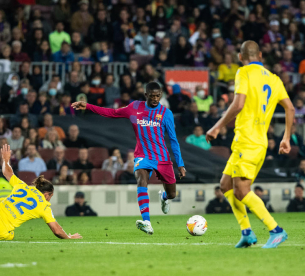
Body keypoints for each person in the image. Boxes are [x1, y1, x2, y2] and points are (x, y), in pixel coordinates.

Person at [206, 40, 295, 248]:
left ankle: (276, 230)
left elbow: (238, 104)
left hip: (246, 140)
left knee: (242, 190)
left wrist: (217, 126)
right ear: (261, 55)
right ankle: (247, 233)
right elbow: (290, 109)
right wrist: (286, 137)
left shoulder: (243, 72)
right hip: (260, 141)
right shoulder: (274, 79)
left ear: (240, 57)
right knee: (226, 185)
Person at [72, 81, 186, 235]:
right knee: (141, 179)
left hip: (162, 158)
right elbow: (112, 113)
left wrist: (180, 164)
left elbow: (173, 140)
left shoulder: (166, 114)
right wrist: (89, 106)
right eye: (152, 96)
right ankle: (147, 222)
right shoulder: (134, 108)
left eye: (158, 96)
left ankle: (164, 197)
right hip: (142, 155)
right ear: (145, 95)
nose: (155, 99)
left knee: (172, 194)